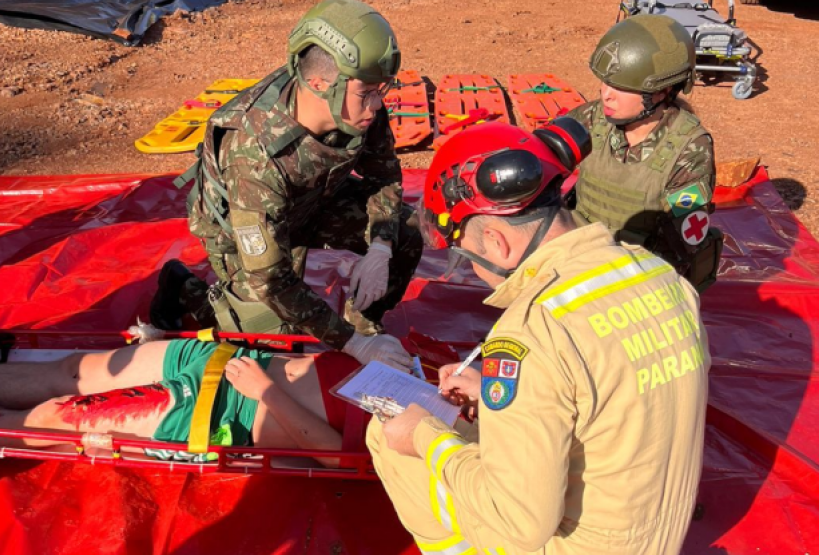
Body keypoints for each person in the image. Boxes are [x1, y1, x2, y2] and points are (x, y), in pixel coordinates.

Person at [367, 121, 711, 554]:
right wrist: (502, 402)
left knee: (387, 437)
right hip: (648, 536)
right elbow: (608, 393)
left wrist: (425, 436)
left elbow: (520, 524)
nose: (472, 270)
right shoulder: (661, 276)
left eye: (466, 257)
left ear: (496, 241)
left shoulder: (533, 333)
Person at [150, 0, 421, 372]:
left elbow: (384, 175)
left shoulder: (356, 99)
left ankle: (364, 322)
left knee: (404, 230)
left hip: (312, 200)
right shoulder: (254, 155)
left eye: (381, 91)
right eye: (368, 93)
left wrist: (381, 246)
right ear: (318, 84)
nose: (377, 105)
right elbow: (270, 280)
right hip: (242, 227)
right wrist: (352, 345)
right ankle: (184, 288)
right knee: (271, 337)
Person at [0, 339, 363, 466]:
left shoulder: (429, 432)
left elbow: (338, 460)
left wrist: (263, 391)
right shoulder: (430, 367)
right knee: (74, 370)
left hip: (221, 408)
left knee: (57, 416)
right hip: (234, 362)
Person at [568, 14, 723, 292]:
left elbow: (678, 249)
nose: (606, 94)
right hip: (577, 257)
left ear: (661, 91)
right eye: (605, 82)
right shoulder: (594, 117)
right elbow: (541, 154)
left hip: (638, 281)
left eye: (621, 87)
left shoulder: (689, 150)